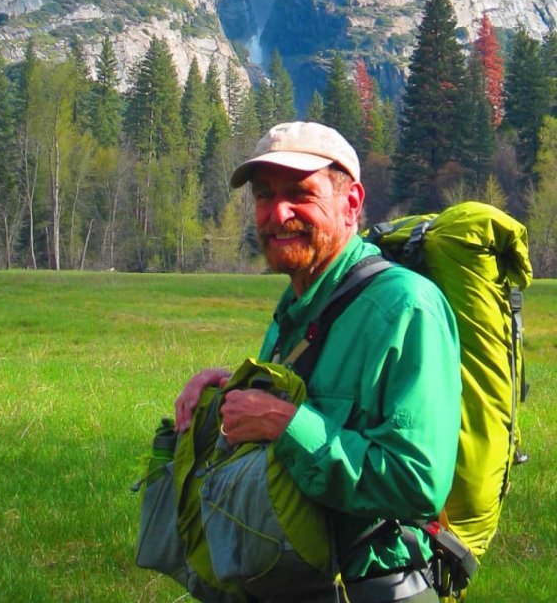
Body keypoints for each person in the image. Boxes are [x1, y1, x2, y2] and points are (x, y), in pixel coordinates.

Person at [175, 121, 462, 603]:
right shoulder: (298, 303)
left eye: (300, 193)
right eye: (264, 195)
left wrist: (288, 425)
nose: (277, 212)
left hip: (373, 588)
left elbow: (417, 484)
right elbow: (303, 398)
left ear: (351, 202)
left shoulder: (406, 308)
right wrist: (229, 391)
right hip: (294, 581)